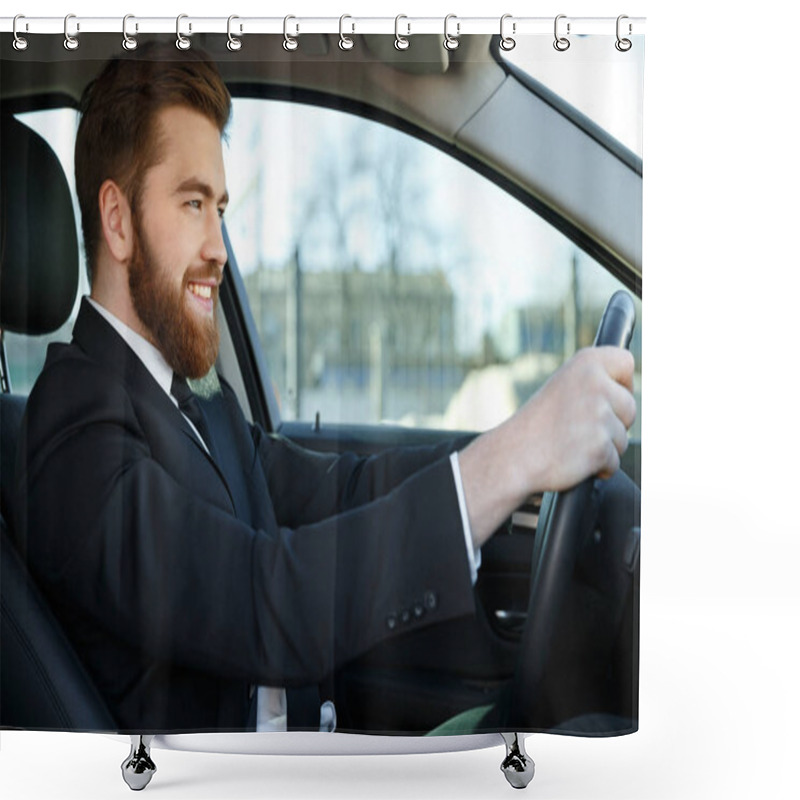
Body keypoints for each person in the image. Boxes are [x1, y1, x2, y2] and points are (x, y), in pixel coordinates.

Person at [13, 45, 636, 735]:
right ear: (119, 221)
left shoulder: (193, 400)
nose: (219, 246)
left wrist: (520, 449)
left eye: (219, 207)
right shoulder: (73, 433)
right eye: (193, 203)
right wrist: (512, 459)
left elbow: (341, 490)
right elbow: (260, 601)